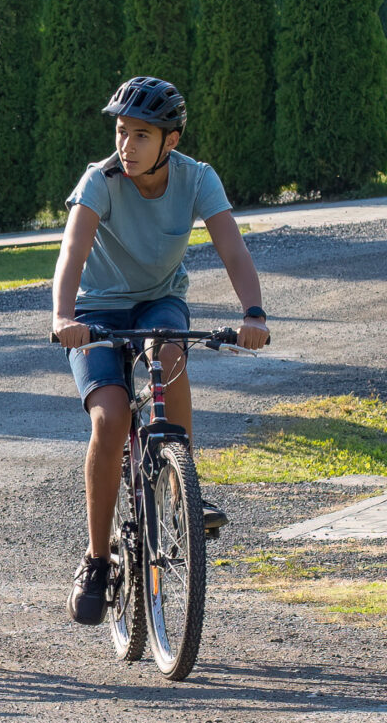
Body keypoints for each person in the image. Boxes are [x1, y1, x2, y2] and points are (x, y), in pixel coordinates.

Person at [52, 76, 269, 625]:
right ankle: (97, 560)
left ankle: (181, 492)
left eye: (140, 135)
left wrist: (253, 314)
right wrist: (63, 317)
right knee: (110, 417)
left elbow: (233, 250)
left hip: (159, 302)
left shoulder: (198, 179)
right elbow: (72, 252)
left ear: (170, 140)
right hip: (96, 312)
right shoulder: (99, 179)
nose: (126, 145)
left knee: (169, 354)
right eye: (122, 132)